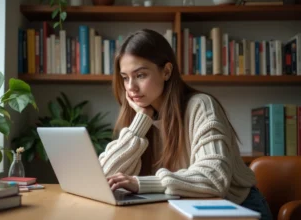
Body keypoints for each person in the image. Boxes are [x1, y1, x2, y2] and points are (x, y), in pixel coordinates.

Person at [98, 29, 272, 220]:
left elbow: (213, 179)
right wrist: (140, 122)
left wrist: (142, 184)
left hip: (235, 209)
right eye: (125, 77)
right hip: (180, 208)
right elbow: (104, 178)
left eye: (140, 75)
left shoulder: (201, 106)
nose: (130, 87)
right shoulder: (141, 115)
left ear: (166, 71)